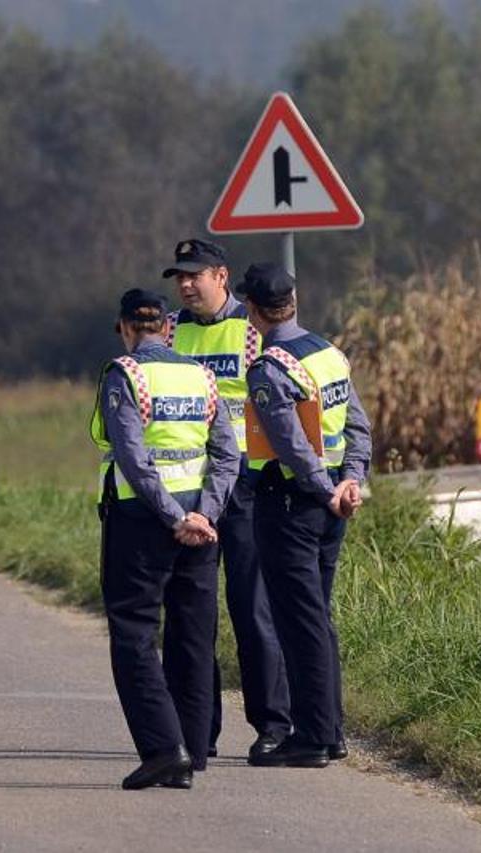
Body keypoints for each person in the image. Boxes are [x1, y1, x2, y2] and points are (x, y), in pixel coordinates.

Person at [90, 288, 240, 790]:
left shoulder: (124, 374)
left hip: (143, 523)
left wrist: (175, 516)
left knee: (133, 635)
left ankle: (162, 749)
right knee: (192, 637)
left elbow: (134, 459)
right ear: (165, 327)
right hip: (202, 525)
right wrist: (205, 514)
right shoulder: (203, 376)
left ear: (126, 327)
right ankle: (193, 751)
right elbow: (226, 455)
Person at [162, 238, 292, 760]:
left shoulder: (251, 328)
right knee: (193, 615)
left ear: (222, 276)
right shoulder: (171, 330)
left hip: (245, 482)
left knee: (251, 607)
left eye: (196, 275)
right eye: (180, 277)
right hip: (193, 485)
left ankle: (273, 723)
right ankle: (199, 730)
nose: (187, 285)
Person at [238, 262, 372, 768]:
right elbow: (358, 425)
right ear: (292, 302)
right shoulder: (329, 354)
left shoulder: (270, 368)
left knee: (299, 621)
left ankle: (311, 737)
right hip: (333, 502)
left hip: (293, 504)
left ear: (252, 309)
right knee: (319, 616)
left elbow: (290, 445)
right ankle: (330, 730)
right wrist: (350, 482)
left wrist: (324, 490)